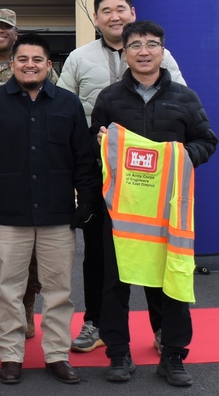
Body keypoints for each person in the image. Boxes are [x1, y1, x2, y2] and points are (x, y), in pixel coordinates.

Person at [0, 33, 99, 385]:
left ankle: (56, 355)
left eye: (37, 60)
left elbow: (84, 159)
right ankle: (11, 356)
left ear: (48, 65)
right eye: (23, 59)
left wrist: (86, 201)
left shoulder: (68, 105)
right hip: (7, 217)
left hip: (57, 217)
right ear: (12, 64)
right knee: (8, 290)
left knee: (58, 291)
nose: (30, 65)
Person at [58, 0, 184, 354]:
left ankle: (161, 328)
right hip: (100, 176)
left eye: (121, 9)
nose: (114, 16)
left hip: (150, 180)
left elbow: (181, 102)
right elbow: (64, 110)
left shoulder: (163, 56)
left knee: (154, 252)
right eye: (106, 11)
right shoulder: (80, 59)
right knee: (98, 254)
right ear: (96, 19)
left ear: (132, 13)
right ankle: (95, 322)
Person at [91, 21, 216, 386]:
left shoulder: (184, 98)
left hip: (168, 210)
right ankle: (118, 354)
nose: (143, 51)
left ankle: (174, 356)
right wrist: (101, 141)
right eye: (135, 45)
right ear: (124, 52)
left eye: (151, 44)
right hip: (122, 210)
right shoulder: (110, 98)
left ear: (162, 50)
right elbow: (91, 144)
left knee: (172, 281)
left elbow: (207, 141)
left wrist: (178, 155)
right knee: (114, 284)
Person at [0, 8, 49, 338]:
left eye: (6, 28)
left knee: (31, 256)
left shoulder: (36, 65)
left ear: (16, 32)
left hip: (34, 168)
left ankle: (27, 308)